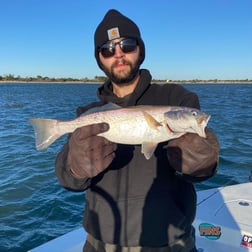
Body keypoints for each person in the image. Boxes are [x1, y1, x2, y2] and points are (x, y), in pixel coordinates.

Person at [55, 9, 219, 252]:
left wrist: (202, 162)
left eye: (127, 45)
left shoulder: (177, 98)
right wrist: (75, 168)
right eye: (108, 49)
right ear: (99, 58)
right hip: (101, 244)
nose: (118, 54)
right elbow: (67, 179)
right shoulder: (88, 112)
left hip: (171, 242)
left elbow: (201, 173)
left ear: (140, 49)